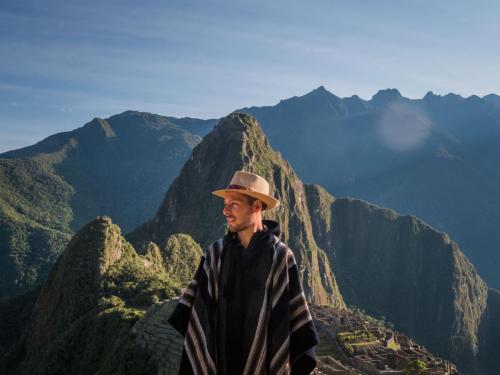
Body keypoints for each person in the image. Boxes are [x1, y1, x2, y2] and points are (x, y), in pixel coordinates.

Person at [168, 170, 319, 374]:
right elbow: (196, 317)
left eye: (234, 204)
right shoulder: (215, 254)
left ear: (257, 206)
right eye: (225, 204)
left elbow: (294, 324)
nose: (225, 211)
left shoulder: (280, 256)